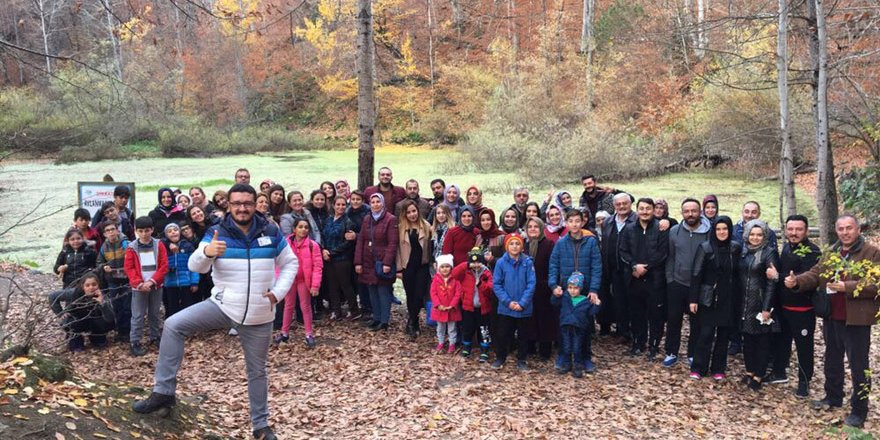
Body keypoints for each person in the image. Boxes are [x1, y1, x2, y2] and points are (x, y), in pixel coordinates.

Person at [133, 183, 297, 440]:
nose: (242, 208)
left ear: (255, 205)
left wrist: (278, 292)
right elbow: (195, 265)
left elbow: (290, 263)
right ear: (228, 205)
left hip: (259, 313)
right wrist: (207, 253)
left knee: (257, 371)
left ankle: (261, 426)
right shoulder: (216, 231)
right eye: (237, 203)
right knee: (174, 325)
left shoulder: (271, 230)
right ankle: (163, 392)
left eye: (247, 203)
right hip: (222, 305)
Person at [789, 215, 880, 428]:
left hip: (856, 319)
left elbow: (875, 284)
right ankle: (833, 396)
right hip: (832, 316)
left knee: (859, 365)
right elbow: (815, 273)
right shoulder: (832, 252)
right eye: (841, 228)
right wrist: (797, 282)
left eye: (849, 228)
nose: (845, 232)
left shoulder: (871, 252)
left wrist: (847, 286)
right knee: (832, 359)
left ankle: (859, 409)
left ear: (858, 229)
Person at [765, 214, 821, 397]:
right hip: (783, 307)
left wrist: (778, 277)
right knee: (781, 342)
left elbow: (806, 279)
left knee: (804, 347)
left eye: (798, 229)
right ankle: (779, 372)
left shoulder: (812, 252)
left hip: (802, 309)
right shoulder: (787, 248)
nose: (794, 233)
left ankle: (804, 383)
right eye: (790, 229)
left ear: (806, 231)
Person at [548, 210, 602, 372]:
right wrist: (553, 285)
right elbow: (553, 266)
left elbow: (597, 267)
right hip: (567, 290)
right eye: (570, 221)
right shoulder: (561, 243)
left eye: (577, 221)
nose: (574, 224)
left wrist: (593, 289)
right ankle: (564, 357)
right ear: (566, 223)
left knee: (584, 326)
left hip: (584, 292)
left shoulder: (590, 242)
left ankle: (584, 357)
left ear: (582, 222)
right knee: (565, 325)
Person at [688, 216, 740, 380]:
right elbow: (696, 274)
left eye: (725, 229)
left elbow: (739, 274)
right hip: (708, 298)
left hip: (728, 298)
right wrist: (693, 299)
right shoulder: (705, 247)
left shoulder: (735, 248)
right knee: (705, 334)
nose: (722, 232)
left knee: (723, 335)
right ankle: (698, 367)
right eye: (718, 229)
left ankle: (718, 368)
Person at [663, 198, 711, 368]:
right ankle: (671, 352)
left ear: (700, 212)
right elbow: (670, 256)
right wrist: (670, 279)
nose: (690, 214)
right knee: (673, 319)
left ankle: (693, 353)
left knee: (696, 321)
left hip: (699, 285)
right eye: (686, 211)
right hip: (677, 282)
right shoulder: (674, 231)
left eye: (694, 211)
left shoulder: (708, 232)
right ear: (682, 212)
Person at [619, 198, 669, 359]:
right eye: (641, 208)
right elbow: (623, 251)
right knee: (636, 313)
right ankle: (638, 343)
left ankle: (654, 345)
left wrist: (645, 268)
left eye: (648, 208)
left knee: (655, 314)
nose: (645, 212)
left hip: (655, 279)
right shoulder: (629, 229)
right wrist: (634, 266)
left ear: (654, 210)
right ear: (637, 210)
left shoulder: (661, 228)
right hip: (634, 278)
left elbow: (663, 253)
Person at [728, 201, 778, 356]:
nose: (750, 215)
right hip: (740, 283)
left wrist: (767, 306)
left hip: (758, 287)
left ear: (759, 213)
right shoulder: (734, 230)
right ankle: (737, 344)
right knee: (739, 318)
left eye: (753, 212)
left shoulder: (769, 238)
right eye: (747, 211)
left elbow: (772, 274)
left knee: (757, 329)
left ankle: (759, 366)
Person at [738, 219, 780, 392]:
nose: (755, 238)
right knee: (747, 339)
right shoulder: (743, 252)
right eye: (752, 234)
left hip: (761, 302)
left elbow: (772, 282)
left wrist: (767, 308)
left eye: (759, 234)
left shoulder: (769, 252)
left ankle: (759, 374)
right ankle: (749, 371)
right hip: (744, 302)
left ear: (764, 236)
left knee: (762, 340)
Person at [124, 216, 168, 356]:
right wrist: (139, 283)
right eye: (141, 231)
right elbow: (129, 268)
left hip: (156, 285)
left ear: (152, 230)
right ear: (136, 231)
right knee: (138, 315)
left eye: (147, 230)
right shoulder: (132, 248)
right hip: (139, 287)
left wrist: (152, 281)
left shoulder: (158, 244)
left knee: (154, 313)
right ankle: (135, 341)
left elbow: (164, 265)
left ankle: (155, 337)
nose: (144, 234)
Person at [354, 193, 399, 331]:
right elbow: (361, 240)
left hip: (381, 260)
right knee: (372, 290)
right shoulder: (367, 219)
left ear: (383, 203)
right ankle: (376, 318)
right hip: (368, 260)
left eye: (377, 202)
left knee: (383, 291)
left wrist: (387, 262)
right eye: (372, 202)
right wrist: (358, 262)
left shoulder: (390, 219)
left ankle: (384, 321)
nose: (375, 204)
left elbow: (392, 243)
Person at [491, 234, 535, 371]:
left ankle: (521, 359)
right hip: (506, 307)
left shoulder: (527, 262)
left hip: (524, 307)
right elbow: (497, 284)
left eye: (517, 243)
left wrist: (522, 303)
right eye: (511, 244)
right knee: (503, 333)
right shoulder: (501, 263)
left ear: (522, 246)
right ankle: (500, 357)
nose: (514, 246)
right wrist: (508, 302)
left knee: (523, 335)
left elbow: (531, 283)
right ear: (506, 246)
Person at [278, 218, 322, 347]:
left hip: (304, 280)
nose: (303, 230)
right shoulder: (286, 244)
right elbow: (279, 263)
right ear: (294, 229)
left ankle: (309, 333)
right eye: (300, 227)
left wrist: (315, 285)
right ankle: (284, 332)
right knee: (288, 305)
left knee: (305, 306)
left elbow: (317, 266)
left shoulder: (312, 245)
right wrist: (279, 281)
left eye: (306, 227)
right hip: (290, 279)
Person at [601, 192, 637, 342]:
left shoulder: (637, 220)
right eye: (618, 204)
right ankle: (622, 331)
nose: (621, 206)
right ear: (614, 206)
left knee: (634, 302)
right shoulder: (608, 222)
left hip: (632, 269)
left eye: (625, 203)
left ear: (630, 204)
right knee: (619, 301)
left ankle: (635, 332)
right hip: (613, 268)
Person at [48, 272, 116, 352]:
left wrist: (102, 303)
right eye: (87, 285)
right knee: (70, 323)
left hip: (94, 320)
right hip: (77, 319)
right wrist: (60, 313)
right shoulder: (74, 293)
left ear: (98, 285)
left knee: (105, 323)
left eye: (94, 284)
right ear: (82, 286)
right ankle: (76, 342)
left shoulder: (102, 295)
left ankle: (97, 338)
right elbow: (52, 296)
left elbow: (110, 319)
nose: (91, 288)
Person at [552, 272, 601, 378]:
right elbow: (554, 302)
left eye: (575, 288)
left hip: (579, 327)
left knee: (577, 347)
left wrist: (597, 304)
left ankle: (578, 366)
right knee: (566, 346)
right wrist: (556, 294)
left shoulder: (585, 300)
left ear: (581, 288)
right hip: (566, 326)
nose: (572, 290)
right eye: (570, 287)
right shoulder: (565, 297)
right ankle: (567, 364)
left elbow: (591, 312)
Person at [396, 199, 433, 338]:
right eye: (409, 212)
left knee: (418, 296)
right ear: (405, 214)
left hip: (422, 266)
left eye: (414, 211)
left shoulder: (426, 226)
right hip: (408, 266)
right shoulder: (401, 228)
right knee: (410, 295)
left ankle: (411, 321)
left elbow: (430, 247)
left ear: (418, 211)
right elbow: (398, 250)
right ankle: (414, 321)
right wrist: (399, 269)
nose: (412, 214)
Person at [524, 217, 557, 360]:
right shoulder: (523, 246)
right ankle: (530, 345)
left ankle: (545, 349)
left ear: (541, 228)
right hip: (527, 289)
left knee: (545, 319)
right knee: (529, 318)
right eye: (529, 226)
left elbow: (553, 266)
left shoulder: (548, 245)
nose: (532, 229)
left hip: (543, 287)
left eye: (535, 227)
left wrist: (550, 284)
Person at [451, 248, 494, 361]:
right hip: (468, 306)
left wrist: (480, 284)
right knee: (467, 328)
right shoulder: (465, 272)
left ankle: (484, 350)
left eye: (478, 262)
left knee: (484, 330)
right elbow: (454, 274)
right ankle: (466, 347)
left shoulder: (486, 273)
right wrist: (466, 264)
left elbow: (490, 289)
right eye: (473, 262)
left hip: (483, 308)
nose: (475, 265)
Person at [322, 196, 360, 320]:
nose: (340, 207)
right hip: (328, 258)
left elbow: (348, 243)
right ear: (333, 205)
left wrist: (332, 253)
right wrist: (324, 250)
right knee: (332, 285)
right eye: (338, 204)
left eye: (343, 205)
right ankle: (336, 310)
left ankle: (354, 310)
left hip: (342, 259)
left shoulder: (348, 222)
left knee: (345, 285)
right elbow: (322, 236)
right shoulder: (328, 220)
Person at [97, 220, 131, 341]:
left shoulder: (126, 243)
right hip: (112, 280)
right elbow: (99, 262)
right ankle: (120, 331)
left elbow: (134, 258)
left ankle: (127, 331)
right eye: (107, 231)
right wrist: (103, 267)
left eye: (112, 229)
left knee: (127, 306)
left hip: (126, 280)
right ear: (104, 234)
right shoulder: (104, 247)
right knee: (116, 306)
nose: (111, 232)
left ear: (117, 230)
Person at [161, 223, 199, 318]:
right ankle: (172, 325)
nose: (173, 232)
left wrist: (194, 282)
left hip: (186, 282)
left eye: (175, 230)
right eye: (169, 231)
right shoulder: (164, 247)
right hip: (170, 283)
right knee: (172, 306)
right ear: (166, 235)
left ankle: (188, 325)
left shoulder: (187, 246)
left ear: (179, 232)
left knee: (188, 305)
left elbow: (194, 265)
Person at [430, 254, 462, 354]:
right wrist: (438, 304)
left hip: (451, 309)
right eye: (442, 267)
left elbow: (458, 293)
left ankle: (452, 344)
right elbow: (433, 293)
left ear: (451, 267)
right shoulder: (436, 279)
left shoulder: (455, 280)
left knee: (452, 328)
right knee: (440, 328)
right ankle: (441, 342)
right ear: (439, 268)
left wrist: (452, 305)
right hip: (440, 309)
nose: (445, 269)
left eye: (447, 266)